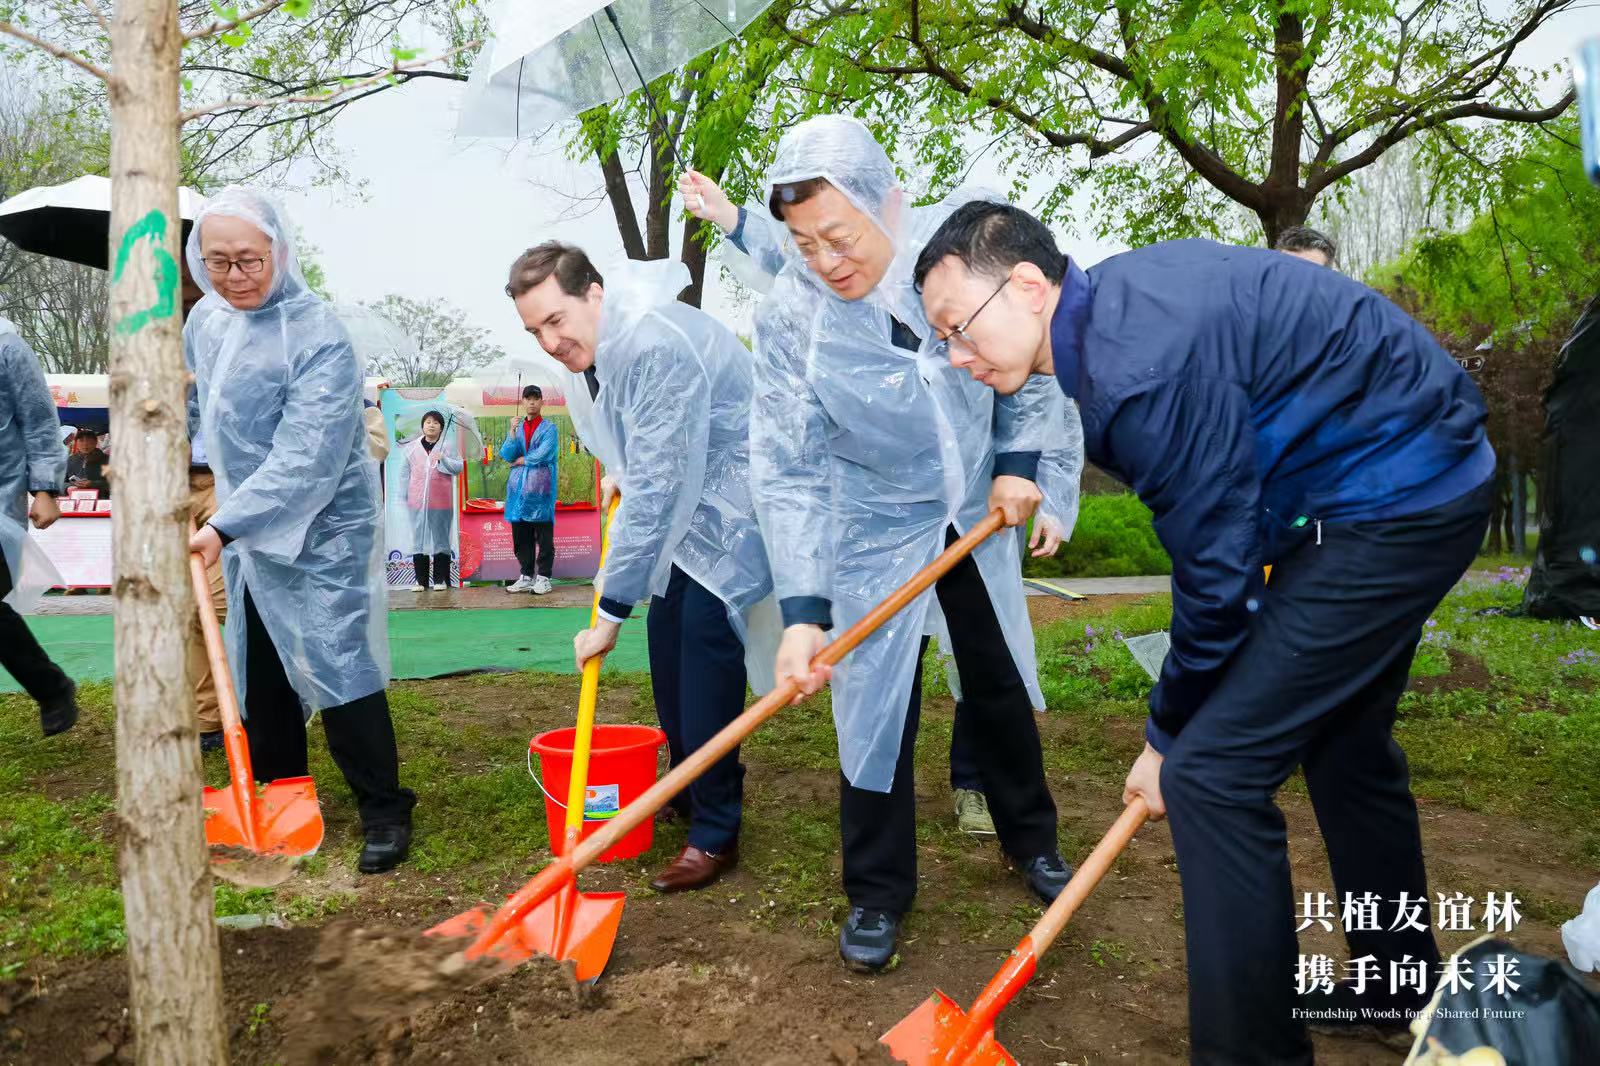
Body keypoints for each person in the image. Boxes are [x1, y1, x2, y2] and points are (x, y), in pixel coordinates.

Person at [913, 200, 1495, 1066]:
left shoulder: (1135, 371)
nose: (958, 357)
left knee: (1215, 778)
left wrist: (1168, 733)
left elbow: (1217, 576)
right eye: (943, 340)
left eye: (959, 328)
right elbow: (1233, 514)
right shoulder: (1116, 313)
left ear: (1029, 287)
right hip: (1387, 483)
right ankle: (1398, 988)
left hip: (1398, 498)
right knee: (1343, 744)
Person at [680, 115, 1073, 972]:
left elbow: (1033, 362)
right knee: (872, 707)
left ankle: (1030, 838)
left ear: (887, 203)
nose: (827, 261)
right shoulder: (790, 317)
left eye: (840, 236)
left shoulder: (959, 253)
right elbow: (787, 468)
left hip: (971, 505)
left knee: (994, 678)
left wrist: (1015, 465)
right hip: (868, 521)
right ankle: (877, 890)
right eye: (802, 242)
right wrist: (805, 611)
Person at [507, 242, 779, 893]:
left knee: (705, 641)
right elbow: (637, 446)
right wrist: (622, 471)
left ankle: (715, 831)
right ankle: (690, 788)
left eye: (555, 320)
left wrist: (608, 612)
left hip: (737, 504)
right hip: (688, 502)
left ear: (593, 295)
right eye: (533, 330)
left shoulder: (652, 344)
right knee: (669, 642)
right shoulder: (595, 351)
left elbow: (659, 487)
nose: (549, 341)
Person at [184, 186, 414, 874]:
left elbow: (305, 458)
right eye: (218, 262)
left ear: (280, 252)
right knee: (261, 665)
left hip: (323, 532)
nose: (235, 276)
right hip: (246, 532)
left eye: (249, 260)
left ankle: (385, 808)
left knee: (337, 659)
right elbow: (215, 424)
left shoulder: (319, 335)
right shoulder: (210, 325)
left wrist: (225, 523)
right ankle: (284, 795)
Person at [0, 319, 79, 736]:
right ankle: (51, 686)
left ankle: (51, 687)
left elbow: (39, 420)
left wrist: (45, 488)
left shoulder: (8, 347)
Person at [500, 384, 559, 594]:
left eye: (536, 398)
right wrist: (512, 432)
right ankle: (525, 575)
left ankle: (543, 577)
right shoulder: (517, 426)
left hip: (541, 488)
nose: (532, 402)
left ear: (542, 401)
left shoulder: (549, 428)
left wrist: (524, 459)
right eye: (528, 398)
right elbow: (507, 455)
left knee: (543, 535)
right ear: (523, 402)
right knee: (521, 534)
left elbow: (545, 453)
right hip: (518, 490)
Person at [399, 409, 463, 591]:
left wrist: (444, 459)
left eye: (436, 423)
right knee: (419, 540)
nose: (431, 425)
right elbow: (404, 474)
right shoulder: (411, 447)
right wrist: (404, 495)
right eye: (428, 422)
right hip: (417, 501)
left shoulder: (448, 446)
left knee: (441, 539)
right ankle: (420, 581)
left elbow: (458, 468)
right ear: (423, 426)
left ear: (441, 427)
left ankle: (440, 580)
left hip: (441, 502)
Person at [64, 429, 110, 496]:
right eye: (81, 441)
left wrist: (93, 484)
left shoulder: (106, 460)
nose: (85, 444)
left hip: (100, 500)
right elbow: (61, 482)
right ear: (76, 442)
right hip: (75, 500)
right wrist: (69, 487)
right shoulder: (70, 460)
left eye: (89, 441)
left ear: (95, 442)